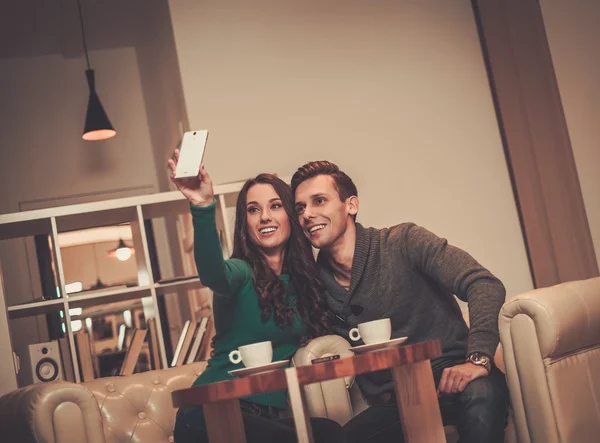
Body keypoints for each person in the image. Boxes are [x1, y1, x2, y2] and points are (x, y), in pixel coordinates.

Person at [291, 160, 510, 443]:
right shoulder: (315, 284)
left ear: (351, 205)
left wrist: (477, 359)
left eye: (319, 201)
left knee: (482, 398)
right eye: (300, 208)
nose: (308, 214)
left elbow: (484, 284)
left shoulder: (404, 241)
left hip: (453, 376)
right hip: (396, 400)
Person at [168, 151, 343, 443]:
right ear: (245, 224)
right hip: (209, 411)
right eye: (253, 210)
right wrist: (202, 206)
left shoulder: (307, 282)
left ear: (291, 215)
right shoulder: (239, 273)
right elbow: (212, 273)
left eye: (275, 206)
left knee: (332, 433)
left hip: (262, 418)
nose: (264, 217)